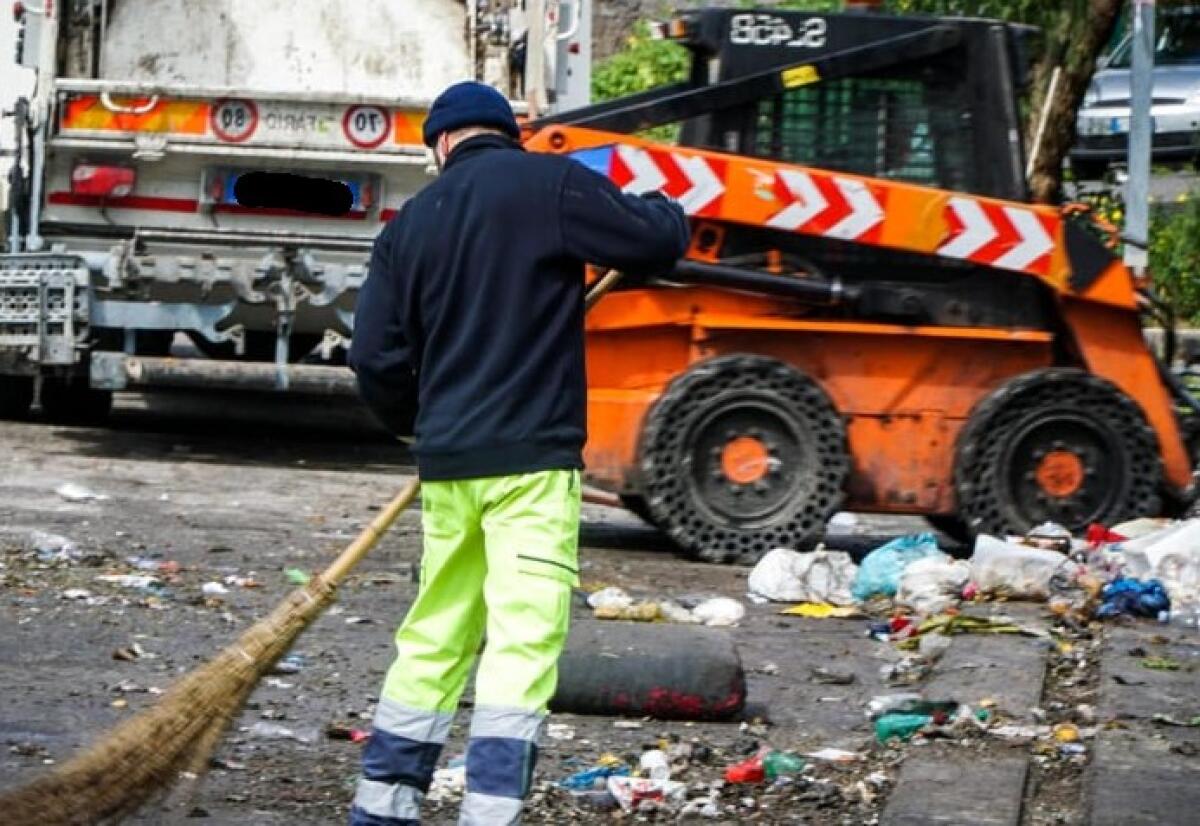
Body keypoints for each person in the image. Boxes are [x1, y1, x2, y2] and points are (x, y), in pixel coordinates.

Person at [347, 81, 690, 826]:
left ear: (441, 144)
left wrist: (419, 427)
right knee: (520, 644)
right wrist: (665, 205)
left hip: (449, 467)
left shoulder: (409, 226)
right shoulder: (552, 185)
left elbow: (372, 356)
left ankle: (382, 810)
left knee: (433, 635)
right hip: (531, 468)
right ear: (508, 135)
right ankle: (488, 816)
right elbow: (658, 241)